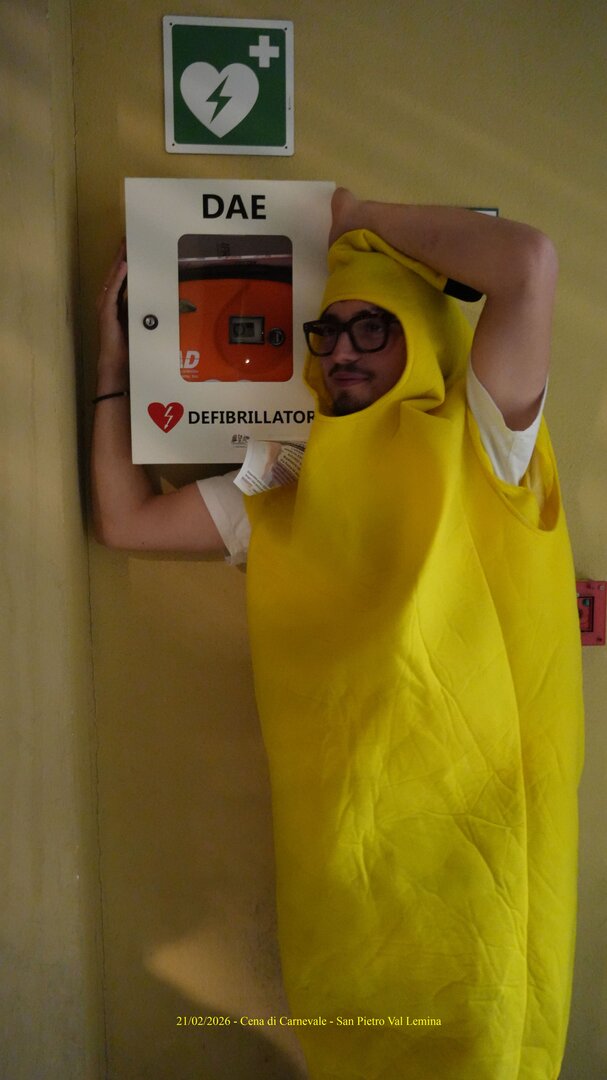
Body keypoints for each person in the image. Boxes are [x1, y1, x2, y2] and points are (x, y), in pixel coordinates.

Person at [92, 189, 583, 1080]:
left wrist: (358, 215)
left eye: (373, 328)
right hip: (346, 879)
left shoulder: (481, 440)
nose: (344, 350)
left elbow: (527, 266)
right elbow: (125, 522)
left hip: (476, 871)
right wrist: (112, 359)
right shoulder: (289, 488)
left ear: (421, 336)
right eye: (329, 332)